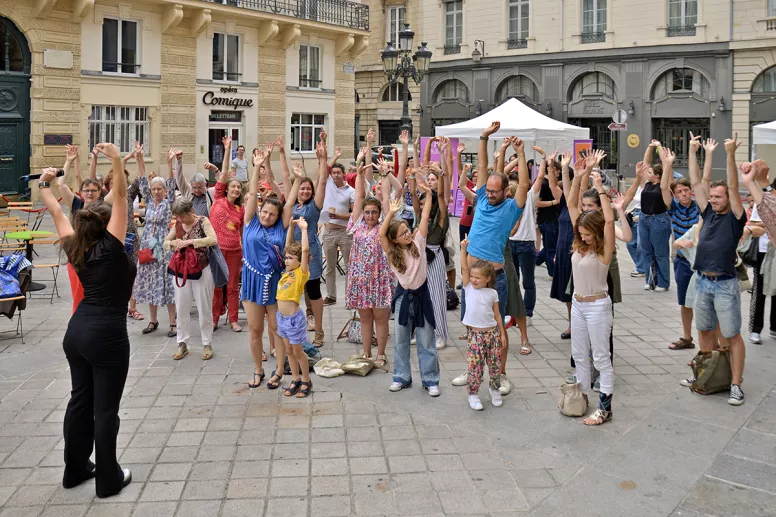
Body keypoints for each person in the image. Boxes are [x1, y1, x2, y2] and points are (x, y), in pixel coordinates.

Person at [39, 143, 135, 497]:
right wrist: (114, 159)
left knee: (80, 400)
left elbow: (55, 212)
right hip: (106, 334)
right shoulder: (112, 245)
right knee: (105, 409)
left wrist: (46, 183)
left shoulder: (74, 245)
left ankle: (75, 469)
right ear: (107, 223)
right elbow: (122, 196)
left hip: (75, 333)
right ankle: (108, 479)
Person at [689, 133, 748, 406]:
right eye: (711, 196)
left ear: (727, 198)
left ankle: (735, 384)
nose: (713, 200)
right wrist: (693, 151)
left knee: (732, 335)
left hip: (725, 284)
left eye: (717, 196)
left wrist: (730, 154)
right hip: (702, 281)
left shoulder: (736, 217)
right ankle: (705, 375)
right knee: (704, 331)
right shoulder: (708, 212)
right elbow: (696, 182)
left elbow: (735, 188)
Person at [461, 123, 528, 339]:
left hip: (494, 278)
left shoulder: (511, 208)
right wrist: (484, 137)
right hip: (471, 276)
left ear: (506, 190)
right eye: (487, 190)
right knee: (473, 327)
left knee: (497, 328)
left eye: (493, 191)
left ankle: (500, 371)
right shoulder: (481, 199)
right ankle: (474, 370)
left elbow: (525, 186)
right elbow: (482, 167)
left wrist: (521, 153)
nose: (488, 194)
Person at [242, 142, 294, 389]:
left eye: (272, 214)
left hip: (275, 282)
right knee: (254, 329)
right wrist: (256, 167)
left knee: (277, 329)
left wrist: (293, 175)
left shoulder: (280, 228)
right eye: (264, 212)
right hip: (252, 281)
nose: (266, 216)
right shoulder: (250, 221)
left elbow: (291, 200)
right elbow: (252, 193)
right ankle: (258, 369)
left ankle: (279, 371)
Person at [380, 182, 440, 396]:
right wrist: (392, 213)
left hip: (422, 296)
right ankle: (401, 377)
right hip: (403, 298)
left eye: (407, 229)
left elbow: (424, 217)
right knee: (400, 340)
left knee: (426, 340)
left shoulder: (419, 242)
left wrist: (429, 195)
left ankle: (430, 379)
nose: (407, 233)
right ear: (395, 239)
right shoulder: (392, 252)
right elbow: (381, 234)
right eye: (402, 232)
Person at [568, 170, 616, 425]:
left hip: (597, 306)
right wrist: (579, 175)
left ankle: (605, 409)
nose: (584, 237)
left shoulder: (604, 250)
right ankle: (582, 398)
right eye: (581, 233)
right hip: (577, 304)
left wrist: (600, 189)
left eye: (588, 234)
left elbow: (609, 222)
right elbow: (571, 204)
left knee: (600, 357)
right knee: (578, 355)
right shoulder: (580, 244)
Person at [347, 159, 395, 367]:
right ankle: (366, 353)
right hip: (359, 279)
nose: (370, 216)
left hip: (380, 278)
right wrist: (358, 175)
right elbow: (358, 197)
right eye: (367, 212)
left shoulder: (384, 224)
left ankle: (381, 354)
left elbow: (385, 202)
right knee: (365, 319)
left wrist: (384, 176)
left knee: (381, 319)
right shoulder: (357, 225)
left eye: (373, 212)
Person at [667, 135, 713, 350]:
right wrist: (667, 164)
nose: (684, 194)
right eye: (680, 192)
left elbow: (703, 180)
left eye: (686, 191)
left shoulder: (700, 207)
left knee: (705, 302)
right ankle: (687, 337)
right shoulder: (673, 207)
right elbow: (664, 188)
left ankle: (709, 341)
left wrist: (700, 153)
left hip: (703, 260)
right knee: (685, 300)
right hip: (683, 260)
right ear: (675, 195)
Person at [164, 198, 218, 360]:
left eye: (182, 217)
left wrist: (191, 242)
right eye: (177, 217)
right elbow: (165, 242)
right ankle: (182, 343)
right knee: (181, 307)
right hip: (182, 270)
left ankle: (207, 343)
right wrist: (175, 243)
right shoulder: (178, 224)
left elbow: (213, 239)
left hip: (202, 269)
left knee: (204, 307)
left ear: (191, 212)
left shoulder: (203, 221)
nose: (180, 220)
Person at [134, 149, 178, 338]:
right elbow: (142, 180)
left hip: (164, 246)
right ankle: (153, 320)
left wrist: (169, 163)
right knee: (150, 282)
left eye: (160, 188)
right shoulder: (150, 203)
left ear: (165, 191)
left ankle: (173, 323)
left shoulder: (168, 203)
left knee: (166, 283)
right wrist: (140, 159)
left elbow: (171, 181)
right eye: (154, 189)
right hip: (148, 246)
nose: (157, 191)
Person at [460, 239, 506, 411]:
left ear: (488, 278)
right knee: (475, 367)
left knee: (495, 365)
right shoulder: (468, 288)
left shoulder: (492, 293)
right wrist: (463, 250)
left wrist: (501, 334)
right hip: (475, 336)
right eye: (472, 276)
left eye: (477, 277)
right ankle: (473, 394)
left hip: (492, 334)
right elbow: (464, 268)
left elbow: (497, 315)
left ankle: (494, 389)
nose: (473, 280)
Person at [289, 138, 326, 347]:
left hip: (310, 251)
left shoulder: (314, 207)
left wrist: (322, 159)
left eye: (307, 189)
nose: (305, 191)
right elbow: (285, 183)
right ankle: (296, 331)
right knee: (293, 292)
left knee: (314, 292)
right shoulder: (293, 205)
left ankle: (319, 331)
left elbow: (322, 181)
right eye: (302, 188)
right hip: (293, 253)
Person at [103, 142, 145, 321]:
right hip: (113, 239)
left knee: (132, 271)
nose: (116, 184)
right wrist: (118, 160)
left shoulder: (129, 193)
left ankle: (132, 308)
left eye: (118, 181)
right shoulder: (104, 198)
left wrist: (139, 159)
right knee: (113, 273)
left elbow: (141, 180)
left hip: (131, 237)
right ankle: (114, 305)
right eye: (112, 182)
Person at [208, 137, 245, 332]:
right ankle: (214, 318)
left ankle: (233, 319)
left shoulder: (241, 209)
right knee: (217, 286)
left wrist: (245, 251)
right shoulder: (218, 199)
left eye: (238, 188)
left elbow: (242, 231)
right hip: (216, 250)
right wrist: (228, 149)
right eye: (233, 186)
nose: (236, 189)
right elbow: (222, 173)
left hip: (235, 251)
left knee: (232, 287)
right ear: (227, 189)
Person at [277, 217, 313, 398]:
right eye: (286, 258)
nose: (287, 260)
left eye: (291, 258)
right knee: (288, 351)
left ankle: (306, 380)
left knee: (298, 352)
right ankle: (295, 378)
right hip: (281, 319)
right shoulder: (287, 272)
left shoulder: (301, 273)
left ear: (300, 261)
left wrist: (304, 230)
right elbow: (287, 246)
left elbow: (304, 250)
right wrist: (290, 227)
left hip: (293, 319)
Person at [321, 141, 356, 306]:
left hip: (345, 232)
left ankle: (350, 298)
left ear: (343, 174)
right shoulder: (328, 185)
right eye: (333, 173)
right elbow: (324, 167)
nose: (335, 175)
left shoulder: (351, 191)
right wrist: (334, 155)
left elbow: (355, 214)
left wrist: (339, 215)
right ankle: (331, 296)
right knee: (329, 267)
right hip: (328, 231)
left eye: (338, 173)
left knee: (350, 266)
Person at [550, 150, 579, 339]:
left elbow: (573, 188)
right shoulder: (565, 205)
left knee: (576, 291)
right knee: (566, 293)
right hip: (562, 251)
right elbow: (555, 185)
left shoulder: (581, 208)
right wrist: (553, 165)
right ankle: (571, 324)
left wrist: (568, 170)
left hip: (577, 253)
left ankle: (578, 324)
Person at [637, 140, 673, 292]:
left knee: (660, 253)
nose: (648, 173)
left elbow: (666, 167)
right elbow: (646, 163)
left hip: (659, 219)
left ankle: (663, 283)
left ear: (658, 176)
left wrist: (660, 148)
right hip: (644, 218)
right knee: (646, 251)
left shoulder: (664, 185)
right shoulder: (647, 184)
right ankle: (650, 280)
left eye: (651, 172)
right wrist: (650, 147)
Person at [535, 152, 562, 278]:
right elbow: (537, 203)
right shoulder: (543, 184)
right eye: (557, 171)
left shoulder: (553, 184)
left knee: (551, 245)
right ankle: (552, 272)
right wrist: (554, 202)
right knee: (550, 248)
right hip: (545, 220)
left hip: (554, 218)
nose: (558, 174)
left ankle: (536, 259)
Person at [176, 153, 216, 217]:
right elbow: (179, 178)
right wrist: (179, 161)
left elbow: (221, 184)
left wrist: (215, 170)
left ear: (205, 184)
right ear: (191, 185)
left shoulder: (210, 193)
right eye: (194, 188)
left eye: (200, 187)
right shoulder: (188, 192)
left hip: (205, 225)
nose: (197, 190)